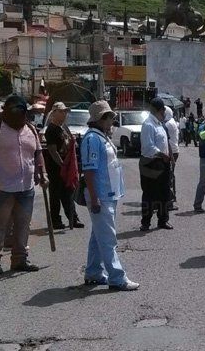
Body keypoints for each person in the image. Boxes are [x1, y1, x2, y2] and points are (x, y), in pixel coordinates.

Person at [0, 94, 47, 275]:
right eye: (14, 111)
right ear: (6, 111)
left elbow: (38, 153)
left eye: (21, 112)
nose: (18, 115)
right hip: (0, 186)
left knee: (23, 224)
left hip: (26, 186)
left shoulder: (30, 129)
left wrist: (43, 173)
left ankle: (20, 259)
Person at [81, 101, 139, 291]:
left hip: (108, 194)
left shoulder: (101, 136)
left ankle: (93, 272)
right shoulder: (92, 139)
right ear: (101, 119)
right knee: (108, 239)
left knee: (98, 236)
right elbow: (89, 171)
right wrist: (95, 198)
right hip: (101, 195)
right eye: (109, 118)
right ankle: (117, 277)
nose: (112, 121)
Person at [45, 102, 83, 230]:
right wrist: (62, 165)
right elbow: (53, 151)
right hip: (56, 168)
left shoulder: (63, 128)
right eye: (61, 112)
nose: (64, 114)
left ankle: (73, 218)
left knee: (68, 194)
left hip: (65, 166)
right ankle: (56, 221)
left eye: (65, 112)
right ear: (54, 113)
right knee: (55, 195)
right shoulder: (51, 130)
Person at [139, 97, 173, 231]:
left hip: (163, 162)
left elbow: (165, 143)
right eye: (163, 110)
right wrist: (162, 154)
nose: (164, 112)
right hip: (150, 163)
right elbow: (148, 147)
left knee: (164, 192)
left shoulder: (160, 124)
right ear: (159, 110)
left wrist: (169, 156)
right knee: (149, 194)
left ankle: (163, 220)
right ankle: (145, 222)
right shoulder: (148, 125)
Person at [164, 106, 180, 211]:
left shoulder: (168, 124)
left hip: (171, 151)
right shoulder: (173, 121)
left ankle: (170, 198)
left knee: (168, 175)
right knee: (171, 174)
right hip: (174, 150)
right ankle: (173, 195)